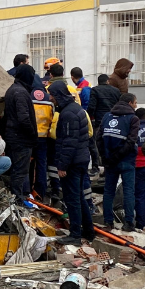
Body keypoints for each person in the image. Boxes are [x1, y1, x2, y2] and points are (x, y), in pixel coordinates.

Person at [49, 81, 94, 245]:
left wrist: (62, 166)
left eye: (52, 95)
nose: (51, 98)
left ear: (59, 95)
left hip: (72, 163)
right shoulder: (76, 109)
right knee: (80, 197)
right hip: (81, 160)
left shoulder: (68, 114)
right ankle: (88, 232)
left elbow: (68, 142)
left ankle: (75, 234)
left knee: (72, 198)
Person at [97, 94, 139, 231]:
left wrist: (105, 157)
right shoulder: (133, 118)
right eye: (135, 102)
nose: (136, 105)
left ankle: (108, 222)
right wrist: (118, 156)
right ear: (129, 102)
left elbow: (99, 139)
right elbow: (131, 141)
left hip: (110, 162)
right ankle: (128, 223)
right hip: (126, 161)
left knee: (109, 191)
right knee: (128, 191)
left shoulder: (107, 117)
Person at [4, 64, 38, 203]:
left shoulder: (13, 89)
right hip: (21, 138)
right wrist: (32, 134)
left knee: (16, 169)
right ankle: (18, 199)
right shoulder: (21, 92)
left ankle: (16, 197)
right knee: (20, 170)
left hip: (13, 136)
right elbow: (24, 118)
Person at [87, 74, 121, 175]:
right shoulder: (116, 91)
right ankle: (111, 168)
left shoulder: (95, 90)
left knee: (99, 145)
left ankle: (97, 166)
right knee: (113, 145)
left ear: (99, 82)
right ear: (108, 81)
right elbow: (119, 105)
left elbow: (92, 106)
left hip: (100, 121)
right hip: (114, 121)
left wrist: (89, 117)